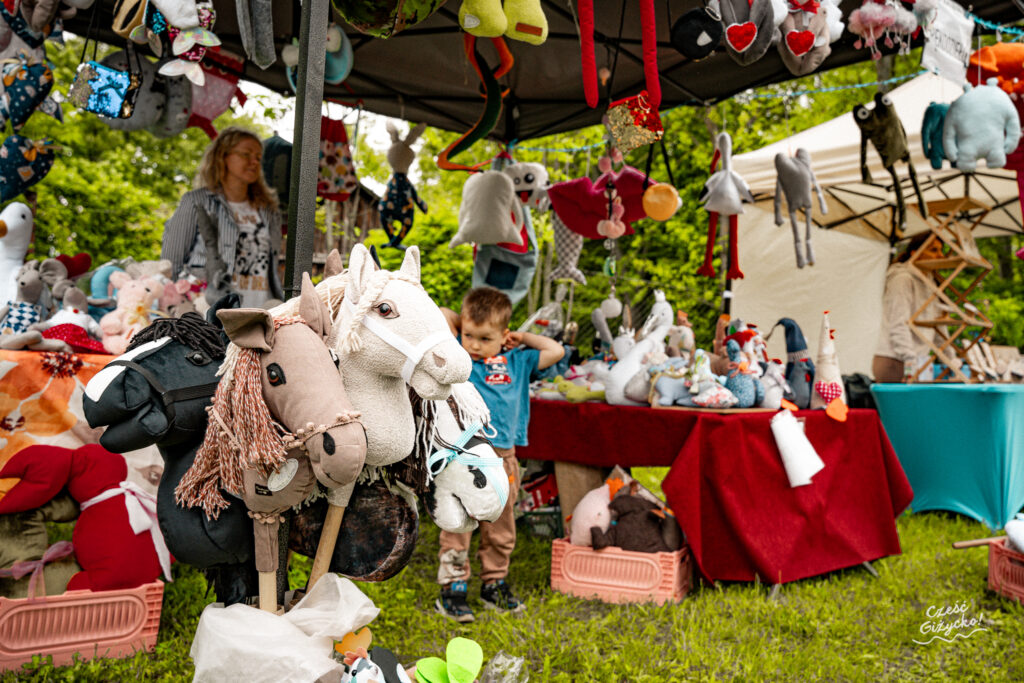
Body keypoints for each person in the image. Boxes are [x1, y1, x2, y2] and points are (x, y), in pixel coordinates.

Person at [435, 286, 564, 622]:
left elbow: (556, 350)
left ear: (504, 336)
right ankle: (453, 587)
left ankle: (494, 582)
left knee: (501, 523)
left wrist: (521, 338)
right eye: (469, 335)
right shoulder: (458, 356)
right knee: (459, 522)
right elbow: (441, 313)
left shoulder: (517, 360)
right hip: (462, 459)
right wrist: (462, 324)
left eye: (484, 338)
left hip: (504, 458)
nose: (475, 345)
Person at [162, 127, 284, 308]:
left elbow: (271, 268)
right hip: (207, 313)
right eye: (246, 154)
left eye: (258, 157)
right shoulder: (196, 202)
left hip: (258, 312)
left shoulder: (268, 211)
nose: (254, 162)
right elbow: (170, 264)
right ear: (223, 156)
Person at [872, 233, 946, 382]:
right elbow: (898, 324)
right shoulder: (902, 279)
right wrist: (911, 361)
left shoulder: (931, 284)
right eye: (933, 250)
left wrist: (950, 360)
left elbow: (940, 326)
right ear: (915, 253)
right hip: (895, 360)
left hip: (917, 361)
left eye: (940, 250)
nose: (940, 256)